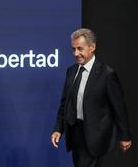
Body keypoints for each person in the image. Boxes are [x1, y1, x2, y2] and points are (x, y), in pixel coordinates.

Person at [51, 28, 132, 167]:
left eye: (80, 49)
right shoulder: (71, 71)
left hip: (96, 135)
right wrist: (59, 129)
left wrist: (125, 135)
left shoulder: (106, 74)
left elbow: (119, 107)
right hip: (75, 134)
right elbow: (65, 103)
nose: (76, 53)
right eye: (73, 49)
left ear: (92, 47)